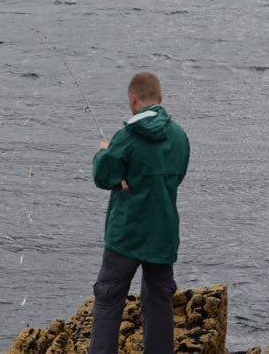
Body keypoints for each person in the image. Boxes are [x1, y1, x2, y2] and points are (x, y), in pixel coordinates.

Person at [89, 72, 190, 354]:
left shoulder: (127, 137)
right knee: (160, 300)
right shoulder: (180, 136)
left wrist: (104, 151)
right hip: (163, 232)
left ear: (133, 100)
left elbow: (102, 174)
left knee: (108, 297)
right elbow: (176, 175)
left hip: (127, 233)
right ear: (161, 99)